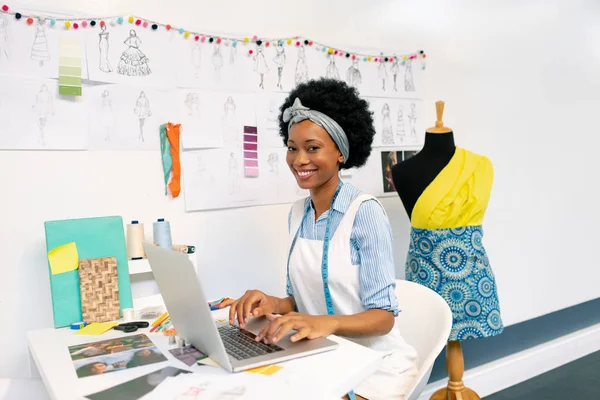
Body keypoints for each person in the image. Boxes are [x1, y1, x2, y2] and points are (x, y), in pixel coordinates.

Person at [220, 78, 418, 400]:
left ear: (340, 153)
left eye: (312, 148)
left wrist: (326, 323)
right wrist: (272, 303)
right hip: (323, 354)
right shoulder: (298, 213)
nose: (299, 160)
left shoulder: (364, 213)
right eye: (292, 148)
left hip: (375, 366)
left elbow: (383, 318)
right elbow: (301, 300)